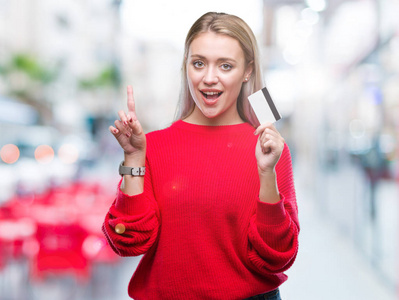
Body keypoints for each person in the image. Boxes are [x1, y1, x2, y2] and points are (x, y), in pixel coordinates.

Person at [103, 12, 299, 300]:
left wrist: (266, 173)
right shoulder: (151, 146)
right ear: (186, 67)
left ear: (247, 71)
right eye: (198, 63)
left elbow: (279, 255)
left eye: (225, 65)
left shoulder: (269, 150)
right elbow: (128, 241)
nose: (209, 78)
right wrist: (133, 158)